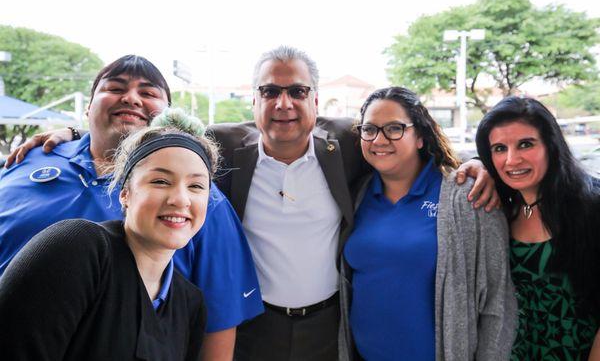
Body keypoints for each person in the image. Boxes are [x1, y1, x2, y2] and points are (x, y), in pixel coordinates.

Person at [6, 46, 498, 360]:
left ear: (317, 102)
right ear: (254, 100)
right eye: (270, 92)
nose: (283, 104)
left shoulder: (349, 143)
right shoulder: (219, 148)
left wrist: (470, 166)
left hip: (330, 329)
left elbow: (402, 136)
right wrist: (69, 133)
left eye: (297, 92)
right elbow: (145, 133)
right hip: (255, 330)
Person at [0, 55, 262, 360]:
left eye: (148, 93)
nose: (131, 98)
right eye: (115, 87)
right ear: (125, 192)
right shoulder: (26, 160)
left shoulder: (205, 206)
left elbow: (218, 321)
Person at [0, 108, 218, 360]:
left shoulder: (189, 303)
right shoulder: (77, 248)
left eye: (196, 186)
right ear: (125, 193)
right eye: (160, 181)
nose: (180, 199)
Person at [338, 87, 516, 361]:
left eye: (394, 128)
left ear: (420, 136)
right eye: (370, 129)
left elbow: (497, 303)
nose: (379, 139)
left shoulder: (465, 195)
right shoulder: (357, 196)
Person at [475, 96, 600, 361]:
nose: (512, 160)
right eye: (499, 148)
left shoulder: (593, 206)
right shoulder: (500, 211)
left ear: (551, 146)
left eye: (525, 144)